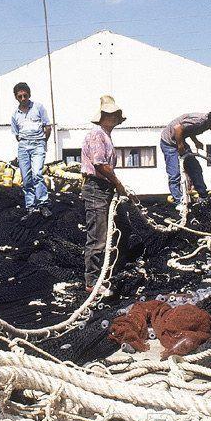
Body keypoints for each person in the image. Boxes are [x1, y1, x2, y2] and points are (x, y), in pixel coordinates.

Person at [81, 95, 127, 293]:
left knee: (108, 231)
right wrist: (117, 183)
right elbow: (99, 164)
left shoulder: (106, 135)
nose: (115, 118)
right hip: (95, 188)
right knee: (98, 236)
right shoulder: (97, 135)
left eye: (117, 115)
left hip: (104, 187)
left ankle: (102, 274)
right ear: (104, 116)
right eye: (113, 114)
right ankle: (92, 282)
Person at [159, 109, 211, 212]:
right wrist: (180, 145)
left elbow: (189, 129)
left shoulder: (206, 124)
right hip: (169, 143)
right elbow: (178, 128)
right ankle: (179, 202)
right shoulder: (199, 121)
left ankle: (203, 196)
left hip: (180, 140)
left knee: (195, 168)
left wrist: (196, 141)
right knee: (174, 174)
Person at [10, 82, 52, 217]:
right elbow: (17, 134)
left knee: (37, 174)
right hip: (23, 146)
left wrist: (42, 142)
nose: (23, 99)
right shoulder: (15, 115)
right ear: (16, 97)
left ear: (29, 95)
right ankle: (30, 205)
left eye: (25, 95)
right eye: (20, 96)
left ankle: (43, 204)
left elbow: (47, 127)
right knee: (26, 178)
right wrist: (24, 143)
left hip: (38, 144)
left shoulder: (38, 108)